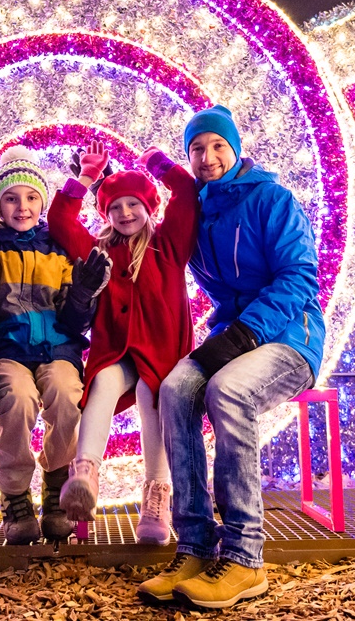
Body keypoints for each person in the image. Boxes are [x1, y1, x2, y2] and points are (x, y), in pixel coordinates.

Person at [138, 104, 325, 609]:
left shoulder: (272, 199)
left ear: (236, 149)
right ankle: (196, 545)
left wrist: (245, 334)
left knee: (227, 390)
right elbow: (157, 247)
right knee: (175, 388)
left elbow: (301, 278)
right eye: (197, 148)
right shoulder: (198, 211)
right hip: (234, 336)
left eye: (218, 145)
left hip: (289, 336)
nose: (208, 156)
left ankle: (244, 558)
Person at [0, 147, 109, 544]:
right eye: (11, 198)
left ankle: (57, 486)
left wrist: (83, 294)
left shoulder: (58, 249)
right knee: (18, 399)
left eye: (31, 197)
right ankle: (16, 494)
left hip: (58, 350)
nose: (22, 207)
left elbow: (75, 321)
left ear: (42, 201)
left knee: (67, 394)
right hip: (4, 351)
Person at [48, 140, 199, 546]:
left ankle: (156, 496)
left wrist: (159, 163)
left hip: (161, 355)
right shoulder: (100, 249)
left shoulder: (167, 245)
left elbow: (186, 192)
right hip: (115, 353)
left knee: (155, 399)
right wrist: (86, 177)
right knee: (101, 385)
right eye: (115, 207)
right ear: (106, 213)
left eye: (133, 205)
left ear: (149, 208)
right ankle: (85, 473)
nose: (125, 213)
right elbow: (60, 221)